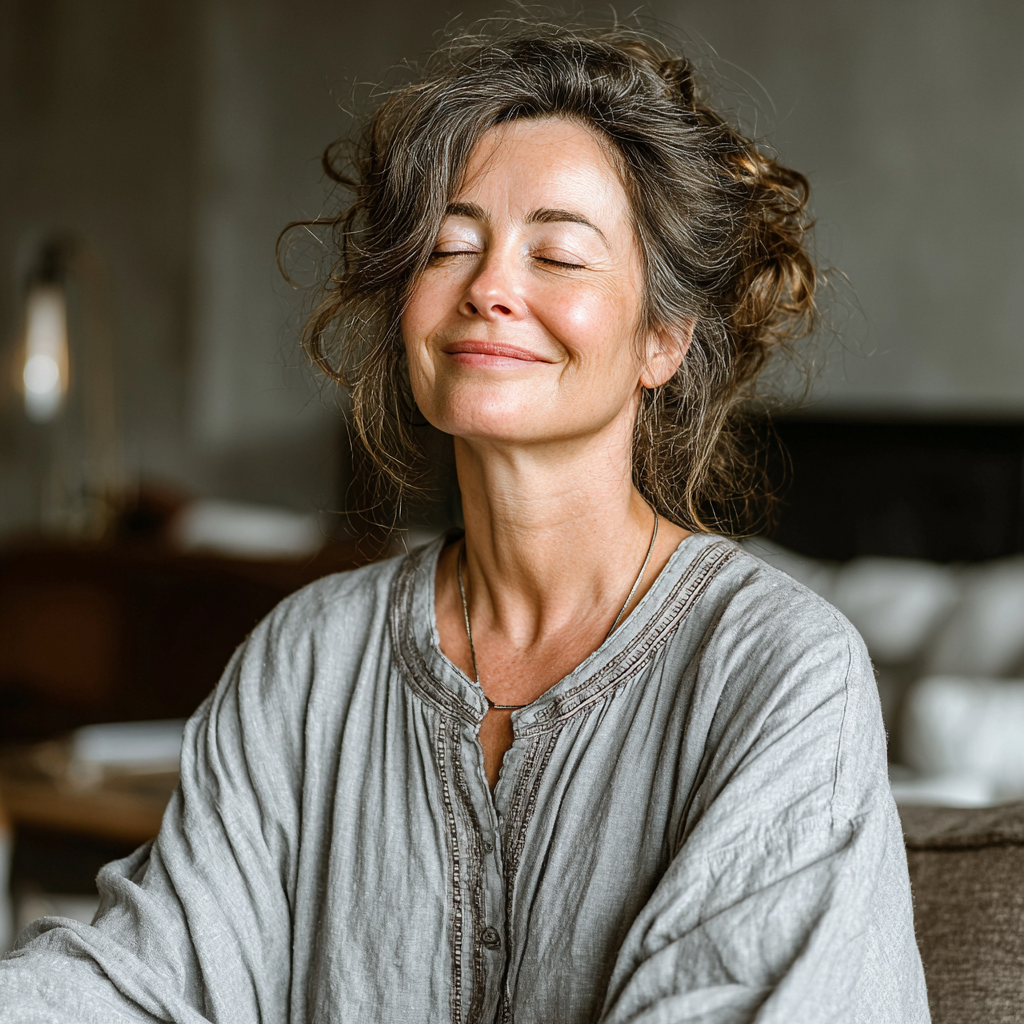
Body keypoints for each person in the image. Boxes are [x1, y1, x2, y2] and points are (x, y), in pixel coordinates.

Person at [0, 21, 929, 1024]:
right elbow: (145, 976)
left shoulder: (781, 674)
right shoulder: (308, 656)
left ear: (662, 337)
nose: (488, 287)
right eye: (450, 246)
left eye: (559, 255)